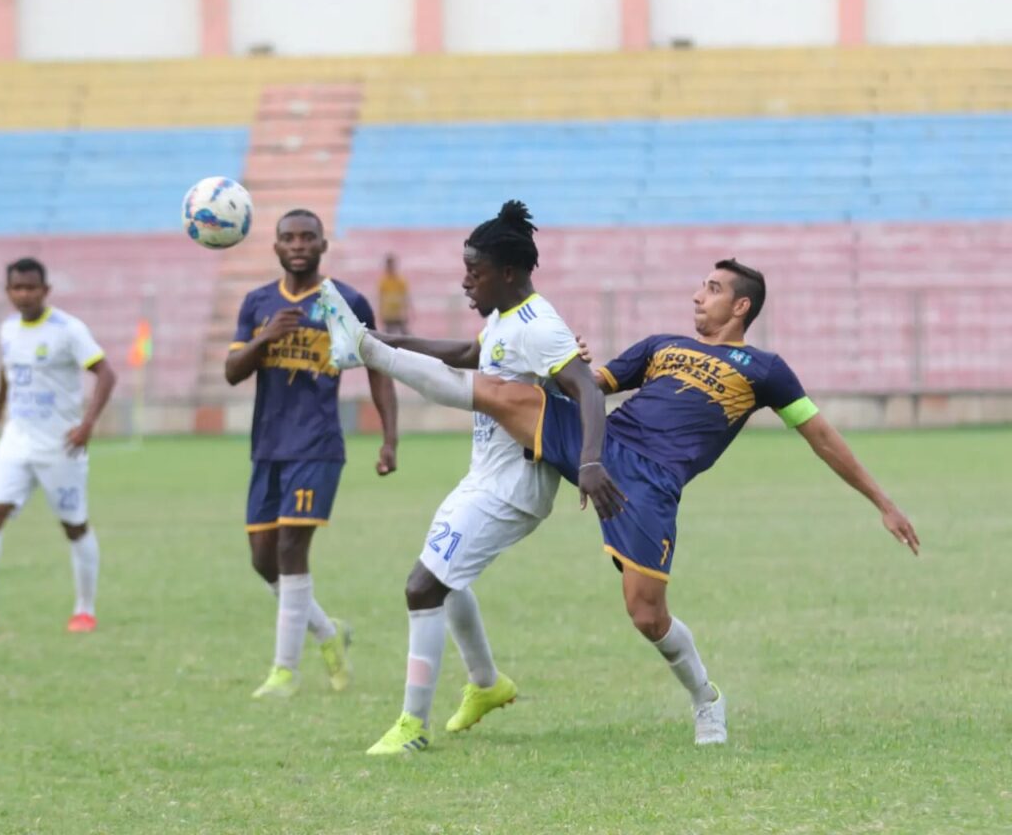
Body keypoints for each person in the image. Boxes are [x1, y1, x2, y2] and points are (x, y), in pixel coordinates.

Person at [319, 257, 920, 747]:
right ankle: (368, 348)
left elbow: (820, 435)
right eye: (700, 285)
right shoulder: (661, 345)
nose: (698, 296)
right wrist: (565, 365)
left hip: (652, 484)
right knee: (503, 393)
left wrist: (883, 501)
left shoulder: (765, 370)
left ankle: (705, 698)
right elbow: (588, 386)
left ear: (742, 307)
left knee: (647, 615)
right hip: (604, 446)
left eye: (712, 289)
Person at [317, 200, 621, 755]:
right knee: (446, 578)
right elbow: (463, 352)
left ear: (508, 272)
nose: (465, 282)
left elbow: (586, 388)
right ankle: (486, 684)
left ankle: (412, 726)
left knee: (423, 586)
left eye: (474, 272)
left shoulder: (539, 325)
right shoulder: (503, 317)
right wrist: (380, 341)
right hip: (484, 476)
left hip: (515, 487)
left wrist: (591, 461)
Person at [225, 208, 399, 700]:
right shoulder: (258, 303)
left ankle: (284, 671)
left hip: (317, 445)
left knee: (290, 550)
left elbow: (378, 367)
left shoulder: (347, 301)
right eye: (289, 237)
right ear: (276, 246)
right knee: (263, 560)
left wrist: (390, 438)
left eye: (308, 237)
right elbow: (232, 372)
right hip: (267, 446)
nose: (298, 245)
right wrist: (265, 337)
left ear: (323, 245)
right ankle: (327, 631)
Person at [0, 257, 117, 634]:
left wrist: (87, 425)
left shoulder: (68, 330)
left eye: (31, 287)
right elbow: (9, 370)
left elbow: (106, 373)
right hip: (16, 440)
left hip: (60, 445)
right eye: (17, 288)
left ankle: (85, 610)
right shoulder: (8, 329)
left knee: (74, 526)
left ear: (45, 290)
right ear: (8, 291)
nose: (24, 294)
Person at [378, 254, 411, 336]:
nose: (390, 268)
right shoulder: (383, 282)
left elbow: (405, 297)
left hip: (399, 314)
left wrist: (407, 311)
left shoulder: (400, 281)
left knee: (405, 335)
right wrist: (381, 313)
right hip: (388, 314)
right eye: (389, 266)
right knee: (388, 336)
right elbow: (380, 298)